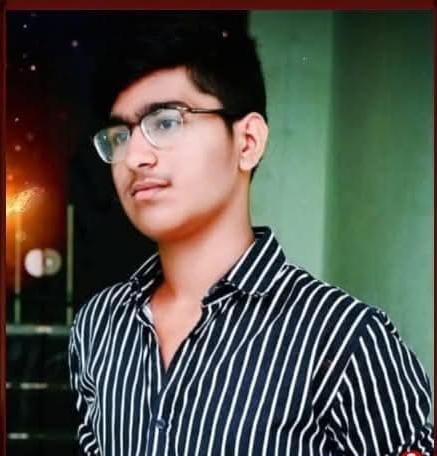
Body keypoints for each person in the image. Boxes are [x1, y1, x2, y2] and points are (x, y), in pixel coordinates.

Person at [68, 17, 434, 456]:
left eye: (165, 123)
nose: (134, 157)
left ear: (247, 142)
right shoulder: (98, 325)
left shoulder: (346, 339)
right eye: (120, 136)